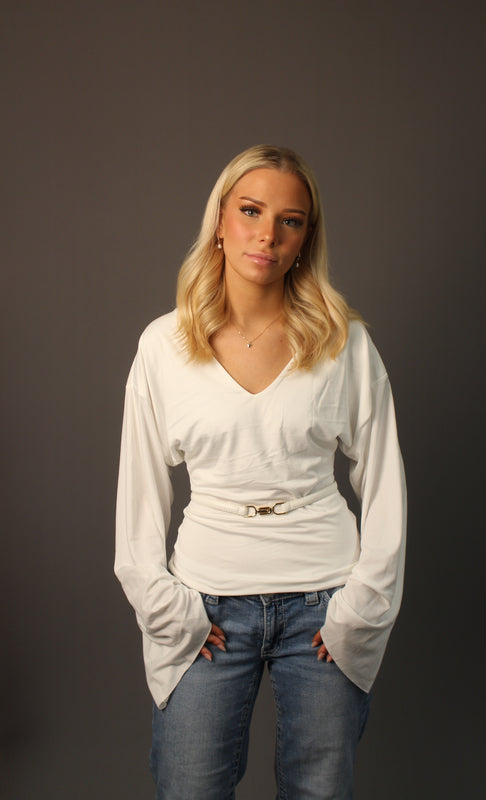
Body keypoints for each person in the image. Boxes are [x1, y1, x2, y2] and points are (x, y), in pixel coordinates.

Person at [115, 144, 407, 799]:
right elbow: (138, 495)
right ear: (220, 220)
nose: (267, 234)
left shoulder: (343, 342)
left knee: (319, 791)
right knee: (188, 787)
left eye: (289, 220)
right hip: (205, 605)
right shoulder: (163, 346)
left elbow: (385, 481)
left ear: (305, 238)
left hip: (325, 604)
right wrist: (165, 609)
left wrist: (361, 608)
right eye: (250, 211)